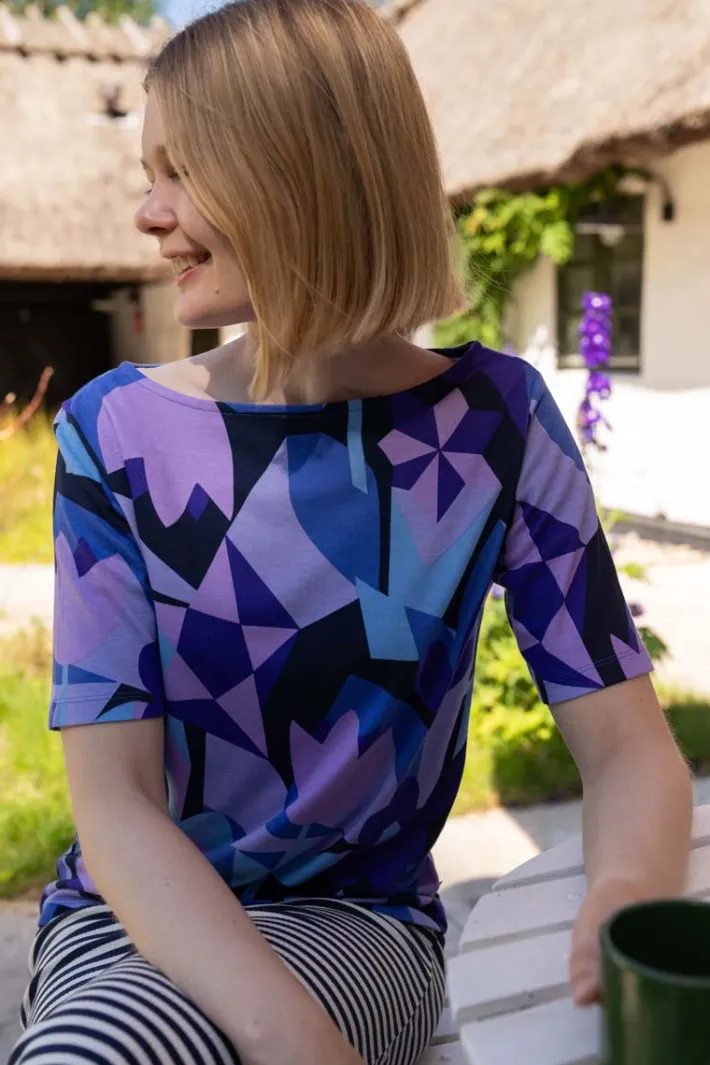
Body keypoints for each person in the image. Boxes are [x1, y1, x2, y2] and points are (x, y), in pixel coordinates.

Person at [11, 1, 692, 1063]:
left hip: (355, 923)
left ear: (299, 173)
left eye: (182, 171)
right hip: (127, 918)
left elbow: (626, 747)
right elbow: (115, 800)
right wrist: (292, 1036)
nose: (146, 213)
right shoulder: (114, 434)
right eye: (149, 174)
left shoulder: (497, 423)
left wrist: (622, 892)